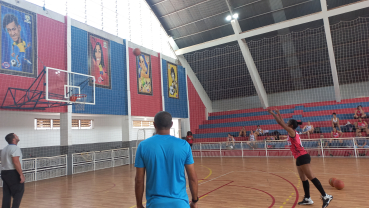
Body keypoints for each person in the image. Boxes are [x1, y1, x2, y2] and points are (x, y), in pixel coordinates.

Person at [268, 109, 333, 207]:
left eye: (288, 123)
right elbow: (282, 122)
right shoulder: (291, 131)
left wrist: (273, 114)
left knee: (311, 177)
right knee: (303, 178)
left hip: (302, 156)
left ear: (291, 126)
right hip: (299, 157)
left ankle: (325, 196)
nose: (286, 123)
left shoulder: (291, 131)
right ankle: (307, 198)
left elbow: (280, 123)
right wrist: (279, 113)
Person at [134, 112, 198, 208]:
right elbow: (192, 178)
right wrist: (194, 200)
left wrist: (139, 205)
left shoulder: (143, 146)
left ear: (154, 125)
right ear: (171, 125)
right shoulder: (184, 145)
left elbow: (139, 180)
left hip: (154, 204)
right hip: (180, 204)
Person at [1, 133, 25, 208]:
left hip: (4, 173)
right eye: (16, 136)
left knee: (7, 194)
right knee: (18, 192)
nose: (18, 136)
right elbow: (16, 162)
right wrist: (21, 174)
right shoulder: (15, 148)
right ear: (13, 139)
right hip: (13, 173)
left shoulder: (4, 149)